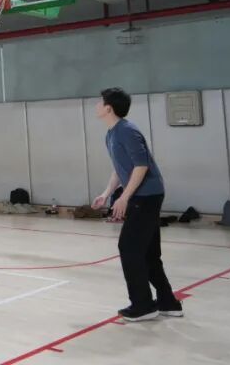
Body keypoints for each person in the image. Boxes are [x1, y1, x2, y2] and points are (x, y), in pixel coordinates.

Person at [92, 87, 183, 322]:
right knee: (149, 253)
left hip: (147, 196)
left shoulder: (127, 131)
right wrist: (107, 193)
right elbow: (120, 168)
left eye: (100, 102)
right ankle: (168, 303)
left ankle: (143, 305)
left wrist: (124, 197)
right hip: (142, 196)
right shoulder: (111, 134)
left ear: (109, 108)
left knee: (129, 248)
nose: (96, 105)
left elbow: (141, 166)